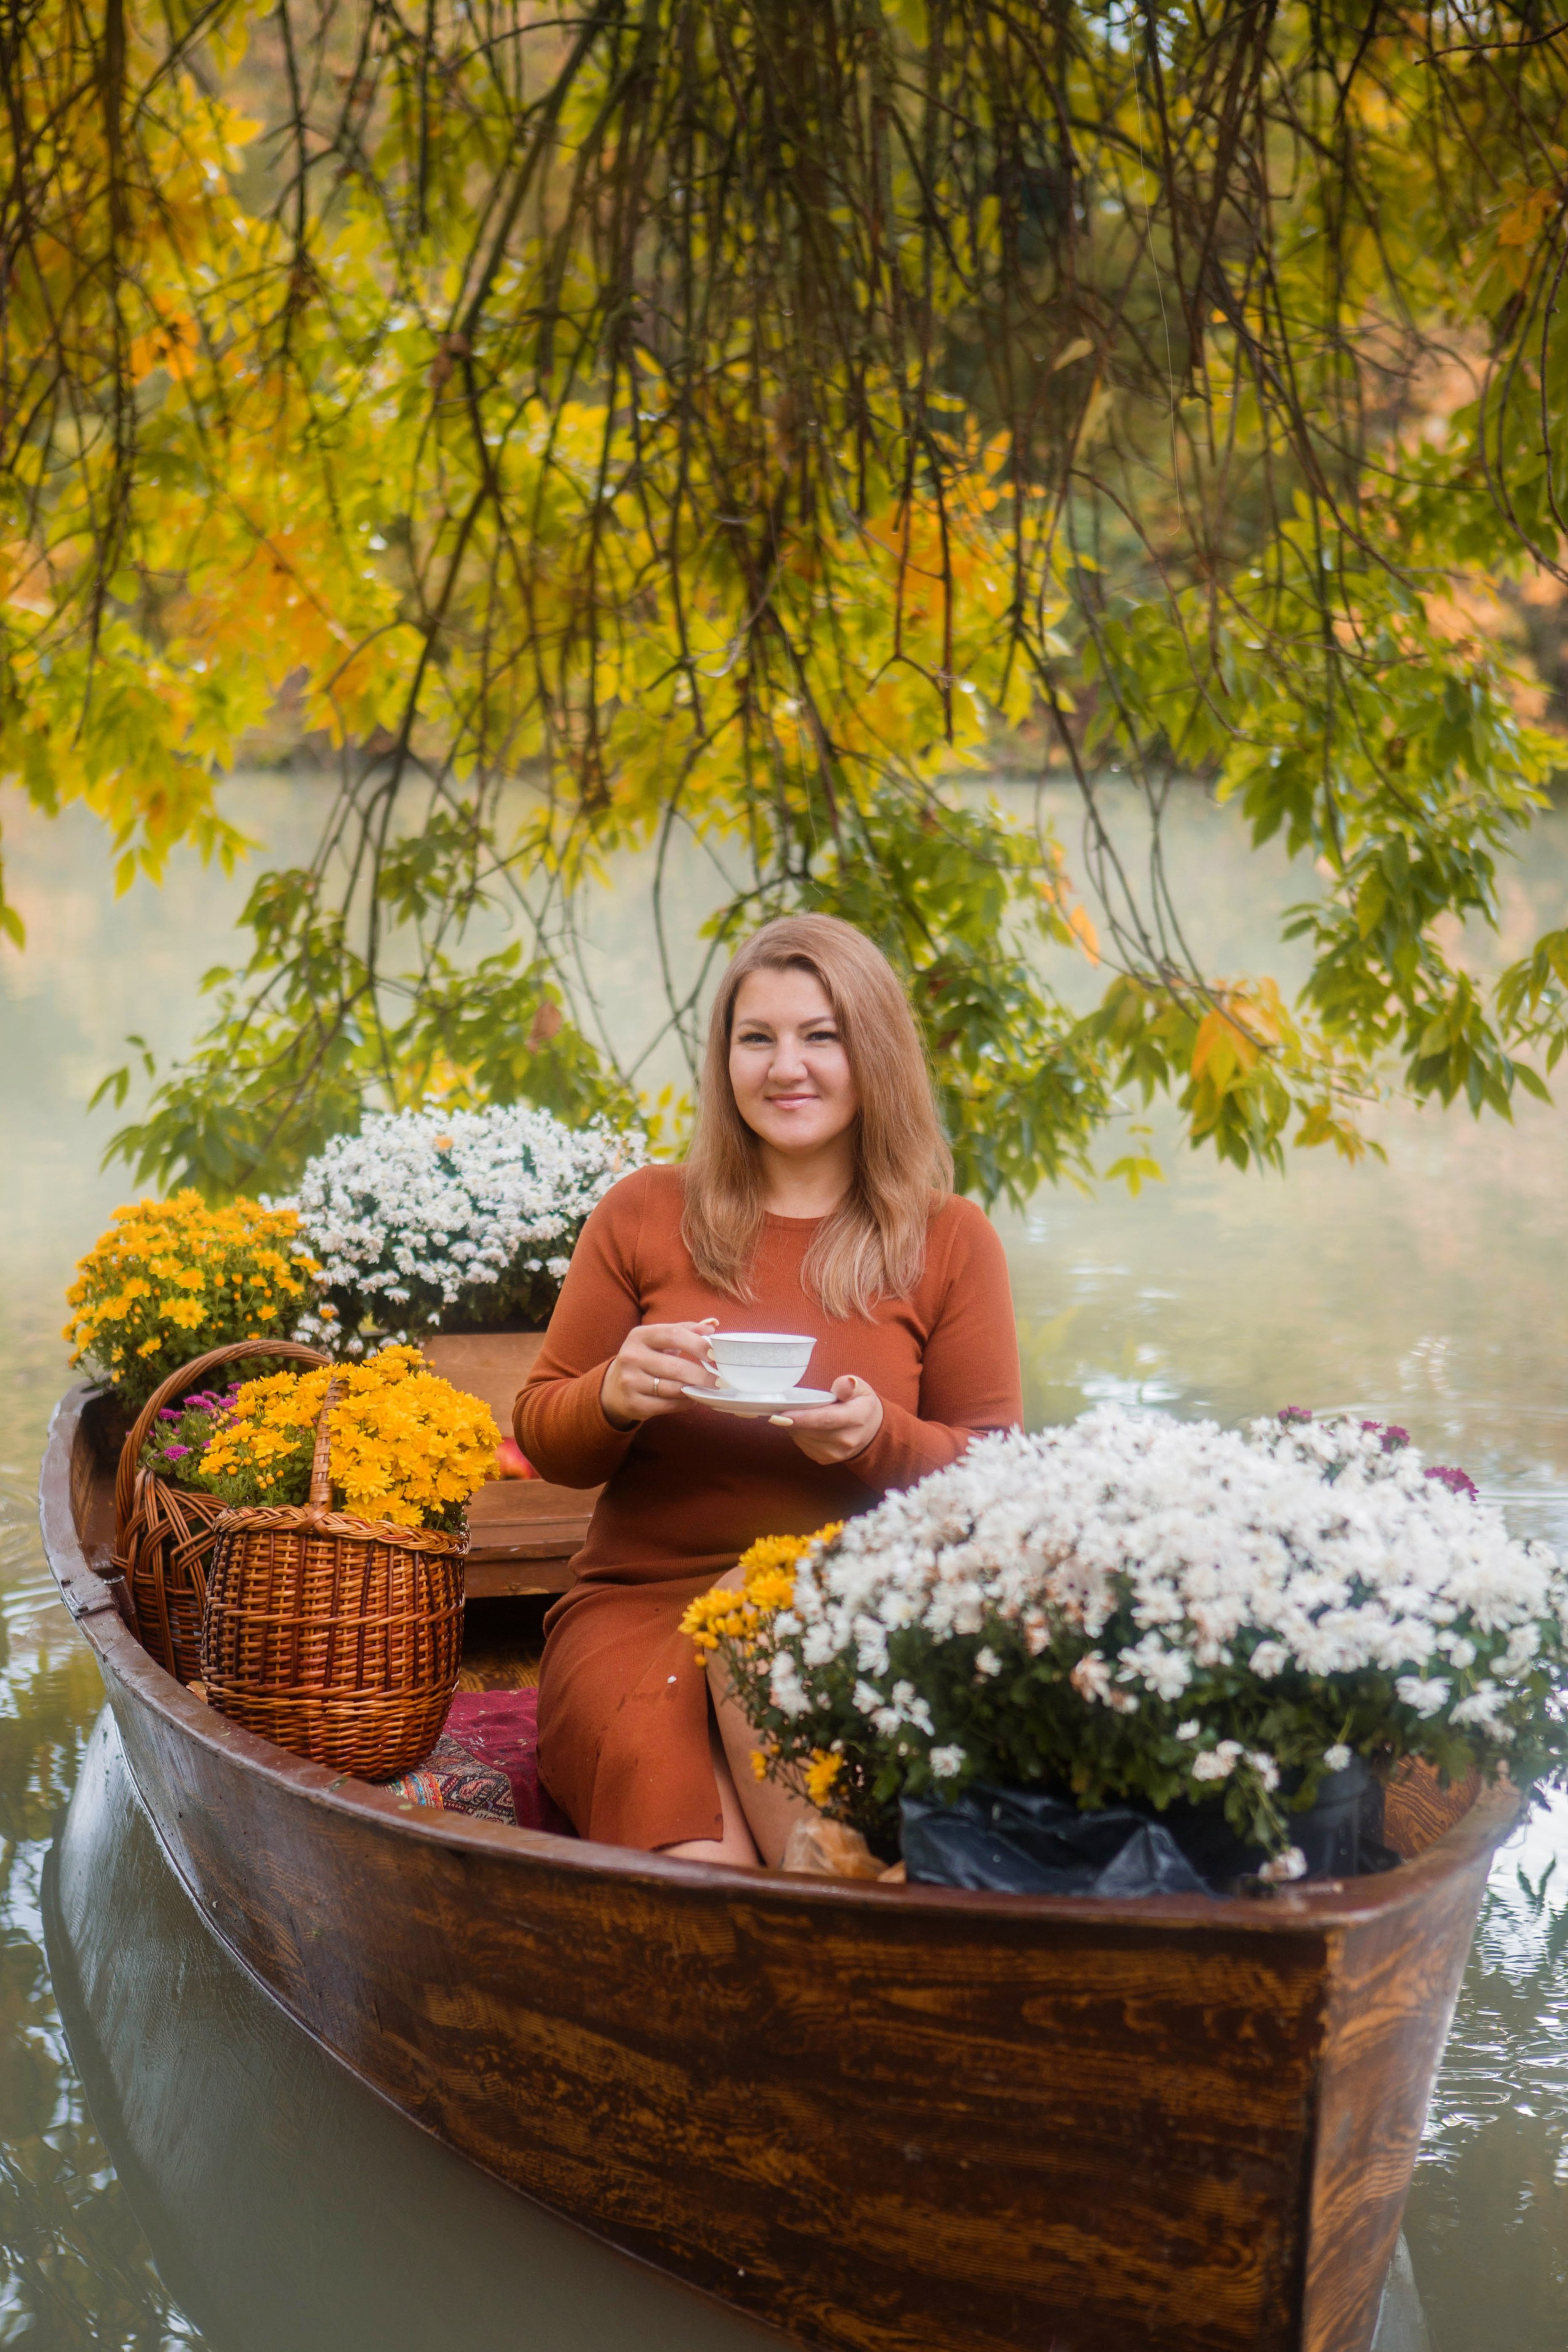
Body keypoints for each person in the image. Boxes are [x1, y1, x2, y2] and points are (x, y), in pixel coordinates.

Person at [514, 913, 1023, 1866]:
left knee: (771, 1640)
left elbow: (994, 1475)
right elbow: (546, 1435)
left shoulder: (948, 1238)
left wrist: (879, 1440)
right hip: (639, 1610)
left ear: (871, 1051)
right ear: (726, 1059)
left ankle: (839, 1928)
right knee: (707, 1868)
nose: (786, 1066)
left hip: (852, 1616)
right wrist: (615, 1394)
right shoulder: (644, 1212)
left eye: (819, 1036)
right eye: (758, 1039)